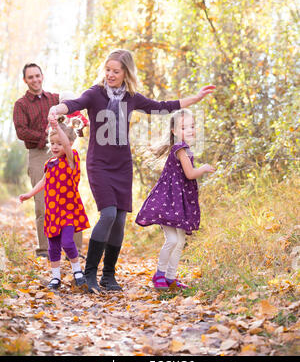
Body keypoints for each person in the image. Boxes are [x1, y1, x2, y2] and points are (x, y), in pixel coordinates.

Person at [48, 49, 216, 293]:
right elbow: (75, 103)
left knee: (119, 221)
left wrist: (195, 99)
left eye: (116, 71)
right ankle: (90, 273)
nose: (111, 75)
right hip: (99, 165)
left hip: (122, 166)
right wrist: (58, 109)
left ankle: (109, 275)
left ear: (126, 72)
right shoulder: (95, 93)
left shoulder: (131, 97)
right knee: (107, 215)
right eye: (108, 70)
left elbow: (162, 106)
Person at [136, 108, 215, 289]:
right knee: (173, 240)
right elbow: (190, 174)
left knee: (180, 241)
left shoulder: (184, 148)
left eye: (192, 126)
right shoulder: (180, 148)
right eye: (184, 127)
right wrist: (203, 168)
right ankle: (159, 275)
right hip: (169, 201)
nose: (189, 130)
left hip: (178, 200)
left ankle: (170, 277)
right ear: (174, 131)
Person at [19, 115, 90, 290]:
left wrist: (56, 127)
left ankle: (77, 271)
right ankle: (56, 277)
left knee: (67, 242)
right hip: (53, 211)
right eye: (53, 143)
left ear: (70, 143)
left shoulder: (71, 159)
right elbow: (43, 181)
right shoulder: (50, 163)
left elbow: (66, 145)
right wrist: (29, 194)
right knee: (53, 247)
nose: (56, 146)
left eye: (60, 143)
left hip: (68, 210)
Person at [13, 63, 59, 257]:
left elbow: (72, 115)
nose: (35, 80)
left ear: (42, 76)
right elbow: (21, 131)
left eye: (37, 76)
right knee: (42, 203)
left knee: (67, 199)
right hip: (38, 154)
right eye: (30, 77)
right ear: (25, 80)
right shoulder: (21, 104)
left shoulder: (56, 99)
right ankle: (44, 249)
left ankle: (73, 249)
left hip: (60, 153)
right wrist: (45, 137)